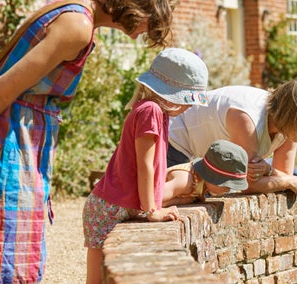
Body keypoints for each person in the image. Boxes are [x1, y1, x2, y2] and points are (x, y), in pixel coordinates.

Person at [0, 0, 176, 282]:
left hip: (18, 138)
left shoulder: (76, 12)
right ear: (137, 8)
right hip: (9, 142)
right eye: (149, 24)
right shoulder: (78, 25)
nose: (145, 32)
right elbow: (0, 91)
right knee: (10, 263)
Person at [82, 47, 209, 284]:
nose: (190, 106)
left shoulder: (158, 113)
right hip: (108, 207)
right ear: (172, 92)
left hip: (110, 203)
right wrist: (153, 211)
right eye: (188, 99)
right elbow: (145, 166)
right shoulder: (150, 110)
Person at [167, 80, 297, 196]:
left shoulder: (290, 129)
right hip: (176, 144)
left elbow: (282, 174)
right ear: (293, 116)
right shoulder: (247, 119)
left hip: (204, 159)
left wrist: (270, 170)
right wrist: (288, 181)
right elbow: (246, 184)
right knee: (185, 192)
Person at [163, 139, 248, 207]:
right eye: (225, 185)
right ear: (211, 176)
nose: (228, 190)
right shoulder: (185, 181)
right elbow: (152, 202)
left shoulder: (201, 182)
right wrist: (179, 201)